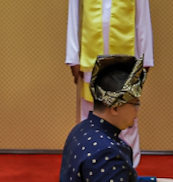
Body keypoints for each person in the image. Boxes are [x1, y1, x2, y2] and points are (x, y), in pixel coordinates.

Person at [65, 0, 152, 166]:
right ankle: (90, 165)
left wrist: (146, 58)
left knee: (126, 113)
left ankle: (128, 169)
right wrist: (73, 56)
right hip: (91, 60)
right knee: (91, 114)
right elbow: (74, 13)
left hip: (126, 60)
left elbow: (143, 18)